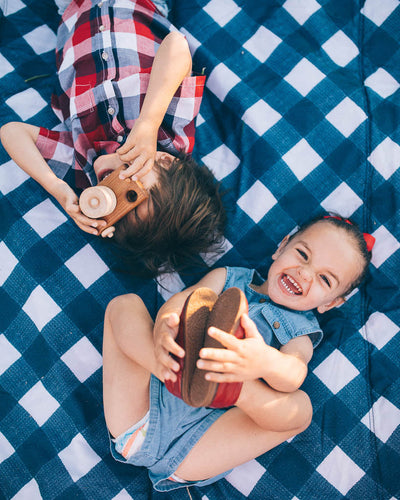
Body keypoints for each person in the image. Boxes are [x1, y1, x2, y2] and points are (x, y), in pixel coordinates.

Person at [102, 214, 374, 492]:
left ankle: (232, 385)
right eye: (303, 254)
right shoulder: (229, 277)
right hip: (143, 408)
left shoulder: (302, 332)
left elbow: (292, 374)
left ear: (331, 303)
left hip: (196, 449)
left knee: (300, 410)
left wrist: (262, 363)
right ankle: (173, 369)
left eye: (325, 279)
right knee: (124, 305)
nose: (305, 273)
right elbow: (187, 299)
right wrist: (164, 329)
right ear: (282, 247)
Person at [0, 0, 226, 277]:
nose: (111, 186)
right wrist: (148, 122)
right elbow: (176, 45)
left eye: (116, 209)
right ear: (165, 162)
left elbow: (12, 132)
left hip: (75, 9)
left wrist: (57, 188)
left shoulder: (85, 166)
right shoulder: (169, 133)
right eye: (132, 193)